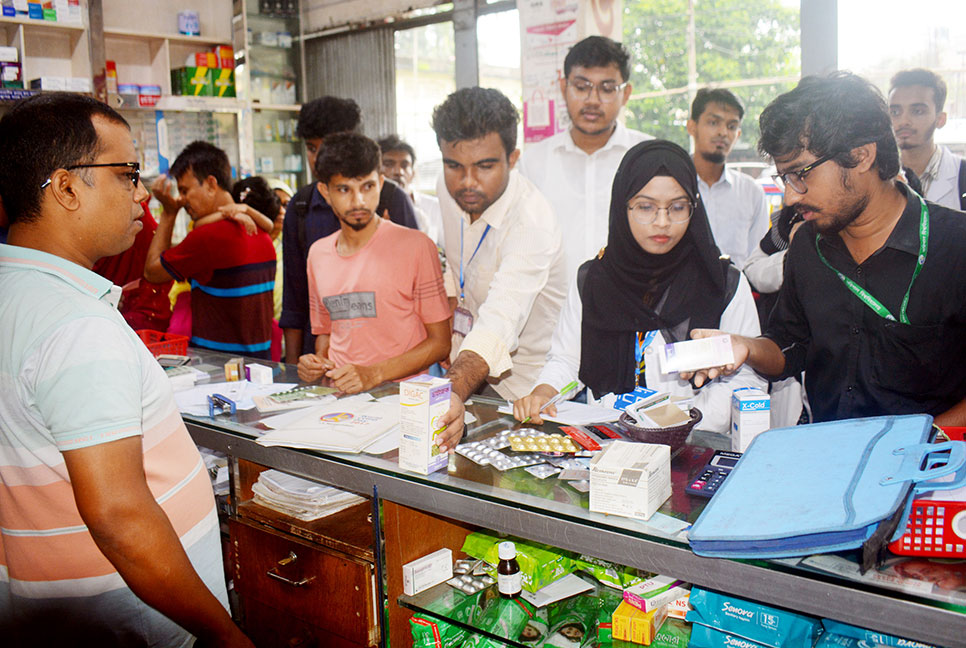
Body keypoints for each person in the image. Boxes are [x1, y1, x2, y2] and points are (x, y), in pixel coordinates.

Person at [0, 92, 253, 647]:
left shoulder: (15, 290)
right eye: (128, 174)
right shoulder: (74, 327)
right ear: (66, 187)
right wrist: (225, 635)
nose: (142, 193)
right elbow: (119, 516)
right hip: (128, 617)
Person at [686, 72, 966, 425]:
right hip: (828, 456)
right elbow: (790, 345)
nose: (790, 196)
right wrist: (744, 346)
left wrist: (921, 443)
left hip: (933, 470)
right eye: (784, 178)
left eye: (801, 174)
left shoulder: (955, 246)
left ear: (861, 156)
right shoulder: (807, 244)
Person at [513, 140, 765, 431]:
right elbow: (569, 360)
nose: (662, 222)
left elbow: (747, 380)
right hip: (607, 445)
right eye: (646, 207)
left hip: (693, 445)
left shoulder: (723, 284)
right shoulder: (594, 280)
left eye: (677, 207)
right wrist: (545, 391)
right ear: (623, 205)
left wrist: (681, 425)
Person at [430, 87, 567, 440]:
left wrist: (453, 389)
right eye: (454, 166)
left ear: (513, 157)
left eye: (485, 166)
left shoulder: (532, 222)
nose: (467, 181)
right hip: (465, 371)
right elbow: (455, 269)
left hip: (523, 396)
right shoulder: (448, 189)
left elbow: (500, 318)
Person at [295, 133, 451, 394]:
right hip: (339, 400)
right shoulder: (318, 254)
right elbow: (326, 332)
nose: (358, 201)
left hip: (404, 400)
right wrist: (317, 361)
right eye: (344, 189)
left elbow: (440, 343)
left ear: (380, 183)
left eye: (367, 187)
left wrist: (374, 374)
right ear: (325, 191)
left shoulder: (416, 246)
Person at [281, 96, 419, 363]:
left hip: (390, 361)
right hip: (325, 358)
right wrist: (292, 369)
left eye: (329, 147)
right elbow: (295, 300)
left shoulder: (391, 199)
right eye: (311, 148)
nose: (318, 159)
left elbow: (418, 294)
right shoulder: (300, 207)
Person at [518, 36, 652, 282]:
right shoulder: (533, 162)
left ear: (626, 94)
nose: (592, 100)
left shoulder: (648, 157)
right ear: (562, 87)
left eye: (607, 88)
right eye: (581, 87)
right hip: (552, 313)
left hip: (630, 309)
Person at [144, 140, 276, 360]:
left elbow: (152, 272)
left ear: (211, 184)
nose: (182, 200)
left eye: (185, 190)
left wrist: (168, 213)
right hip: (261, 362)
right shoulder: (260, 231)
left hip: (219, 366)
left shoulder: (207, 238)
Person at [687, 88, 769, 269]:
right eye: (713, 122)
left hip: (737, 295)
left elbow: (757, 263)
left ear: (738, 134)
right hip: (681, 295)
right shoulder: (674, 186)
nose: (723, 132)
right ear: (692, 126)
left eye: (731, 126)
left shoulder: (751, 193)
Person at [888, 68, 965, 211]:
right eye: (895, 112)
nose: (903, 121)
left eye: (917, 111)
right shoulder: (881, 176)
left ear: (940, 119)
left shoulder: (962, 175)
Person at [232, 176, 285, 320]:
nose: (282, 211)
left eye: (286, 205)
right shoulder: (242, 244)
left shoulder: (291, 245)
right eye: (278, 204)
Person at [378, 134, 444, 246]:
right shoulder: (366, 211)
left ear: (413, 173)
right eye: (389, 164)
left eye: (404, 165)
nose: (398, 172)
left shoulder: (435, 207)